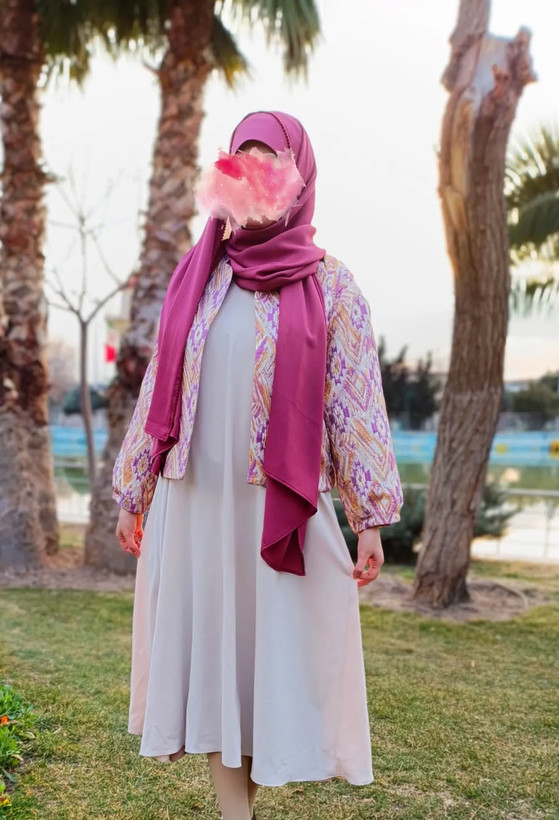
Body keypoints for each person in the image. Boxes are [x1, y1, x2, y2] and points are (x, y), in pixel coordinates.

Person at [113, 111, 403, 820]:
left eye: (268, 157)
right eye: (239, 156)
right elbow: (159, 385)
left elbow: (355, 401)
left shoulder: (332, 285)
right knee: (216, 660)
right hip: (198, 500)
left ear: (298, 173)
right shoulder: (200, 274)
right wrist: (134, 487)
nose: (251, 171)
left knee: (262, 662)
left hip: (277, 503)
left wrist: (369, 516)